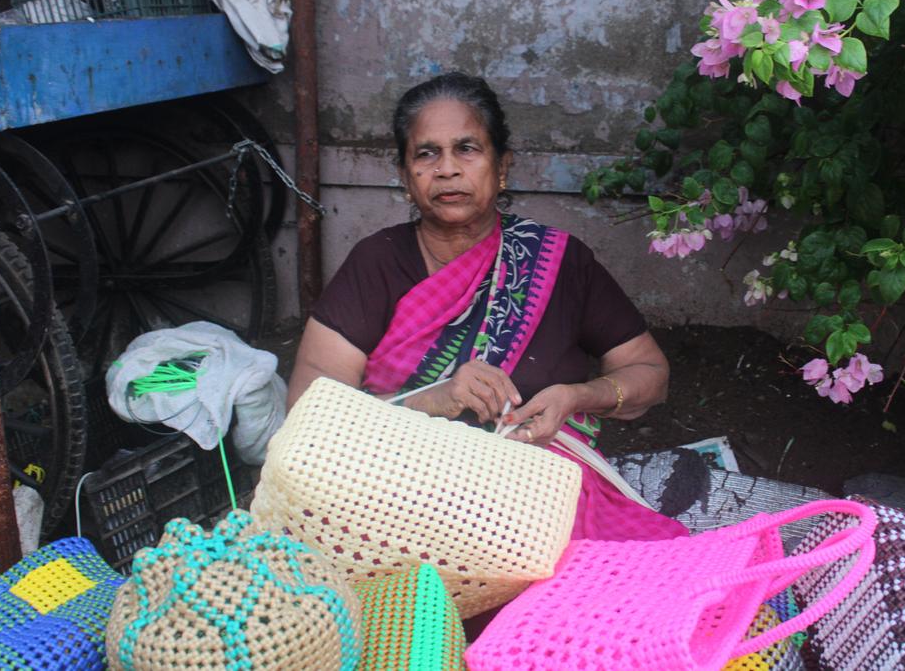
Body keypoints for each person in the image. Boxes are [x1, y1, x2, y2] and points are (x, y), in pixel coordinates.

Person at [287, 71, 686, 544]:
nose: (447, 169)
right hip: (394, 503)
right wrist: (432, 401)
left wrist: (578, 396)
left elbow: (649, 374)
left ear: (501, 167)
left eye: (467, 149)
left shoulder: (559, 263)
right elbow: (308, 418)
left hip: (537, 507)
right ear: (404, 176)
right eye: (426, 153)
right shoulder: (377, 264)